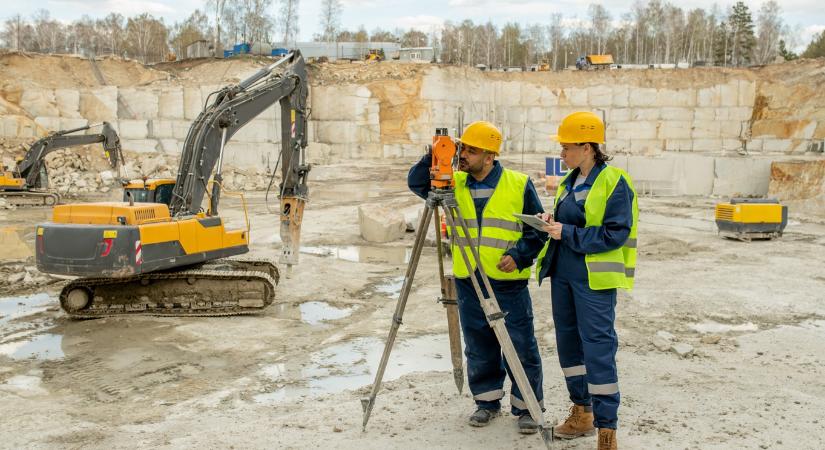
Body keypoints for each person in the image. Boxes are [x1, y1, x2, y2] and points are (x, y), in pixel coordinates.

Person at [407, 121, 547, 434]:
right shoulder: (452, 182)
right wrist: (435, 152)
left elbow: (537, 230)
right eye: (462, 148)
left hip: (507, 282)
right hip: (469, 279)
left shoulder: (518, 183)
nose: (464, 154)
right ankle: (486, 402)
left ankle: (526, 407)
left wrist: (520, 255)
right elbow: (416, 183)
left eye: (471, 150)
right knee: (479, 345)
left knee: (520, 345)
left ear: (489, 156)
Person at [535, 111, 638, 450]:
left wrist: (568, 232)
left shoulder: (614, 181)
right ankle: (582, 412)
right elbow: (570, 224)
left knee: (597, 347)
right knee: (569, 345)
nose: (561, 154)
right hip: (563, 273)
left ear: (588, 147)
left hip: (594, 279)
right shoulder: (569, 182)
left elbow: (615, 234)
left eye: (567, 147)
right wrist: (550, 221)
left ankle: (607, 428)